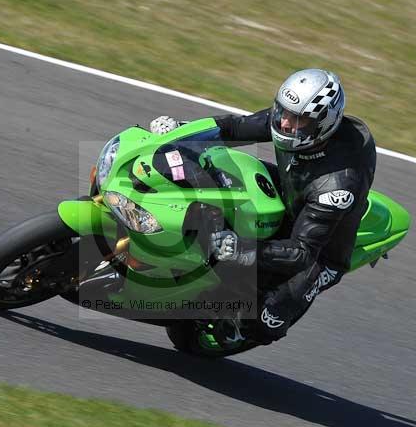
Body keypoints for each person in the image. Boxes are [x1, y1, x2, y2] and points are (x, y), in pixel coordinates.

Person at [149, 68, 376, 345]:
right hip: (293, 186)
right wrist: (182, 130)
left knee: (263, 320)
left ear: (322, 124)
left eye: (298, 120)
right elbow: (234, 127)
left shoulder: (338, 185)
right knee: (215, 167)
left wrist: (241, 248)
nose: (285, 124)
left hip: (318, 252)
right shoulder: (290, 122)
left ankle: (243, 321)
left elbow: (301, 253)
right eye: (284, 112)